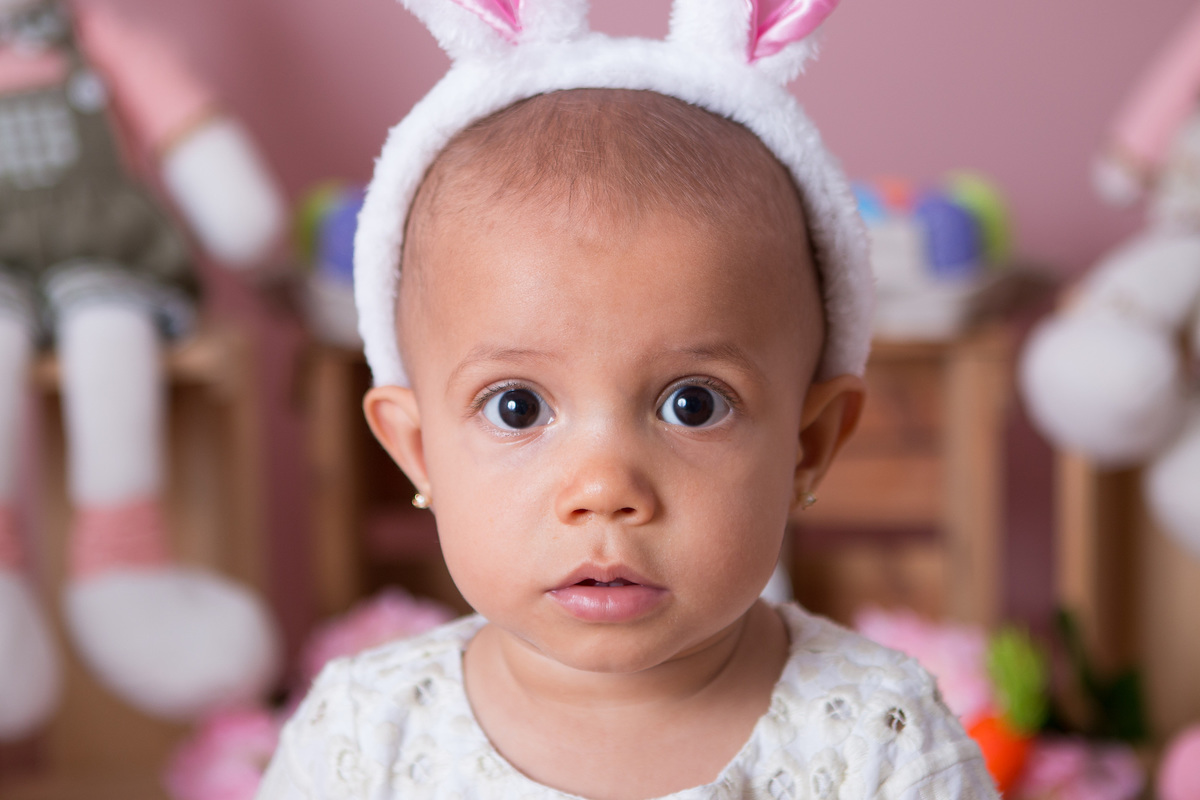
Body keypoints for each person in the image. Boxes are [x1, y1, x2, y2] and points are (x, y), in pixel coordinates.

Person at [258, 0, 997, 797]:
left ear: (807, 445)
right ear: (417, 449)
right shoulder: (365, 736)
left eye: (693, 404)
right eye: (518, 407)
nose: (605, 487)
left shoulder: (874, 738)